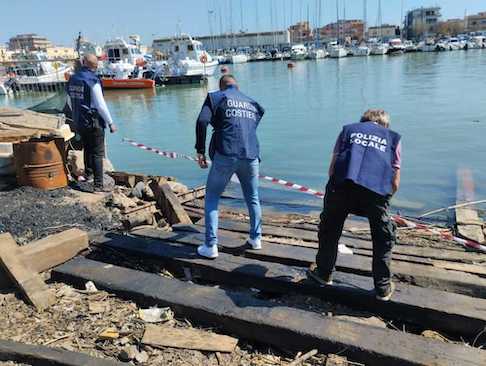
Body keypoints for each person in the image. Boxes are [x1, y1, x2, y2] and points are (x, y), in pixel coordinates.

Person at [308, 109, 402, 301]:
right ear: (385, 125)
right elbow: (394, 182)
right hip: (375, 192)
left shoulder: (348, 130)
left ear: (363, 121)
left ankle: (323, 274)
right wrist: (384, 201)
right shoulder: (393, 138)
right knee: (383, 237)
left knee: (329, 230)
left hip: (342, 187)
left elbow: (333, 168)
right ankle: (382, 288)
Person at [195, 75, 265, 259]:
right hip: (251, 155)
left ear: (221, 86)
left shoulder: (215, 97)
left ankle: (211, 246)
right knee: (253, 197)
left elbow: (202, 121)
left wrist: (200, 150)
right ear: (237, 86)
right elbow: (250, 125)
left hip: (226, 153)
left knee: (211, 197)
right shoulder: (252, 103)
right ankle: (256, 239)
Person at [67, 54, 117, 193]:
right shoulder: (92, 80)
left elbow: (71, 101)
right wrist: (111, 122)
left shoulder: (73, 78)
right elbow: (100, 105)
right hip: (93, 121)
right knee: (97, 153)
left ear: (83, 63)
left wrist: (77, 116)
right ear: (95, 66)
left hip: (79, 120)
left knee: (87, 148)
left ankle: (88, 175)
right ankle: (98, 186)